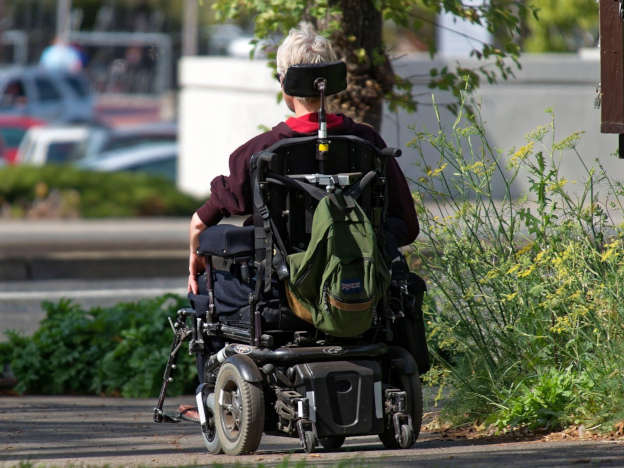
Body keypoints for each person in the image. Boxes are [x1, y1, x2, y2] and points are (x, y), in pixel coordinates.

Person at [187, 22, 418, 295]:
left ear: (284, 81)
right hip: (359, 290)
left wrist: (196, 259)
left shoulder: (260, 151)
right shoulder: (368, 144)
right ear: (332, 81)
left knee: (205, 288)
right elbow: (408, 226)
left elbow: (199, 223)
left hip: (278, 292)